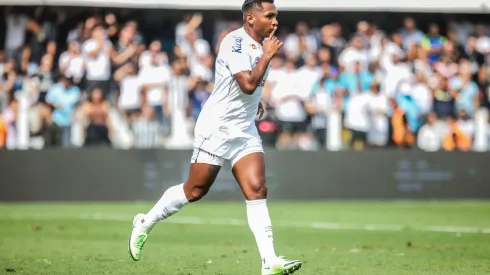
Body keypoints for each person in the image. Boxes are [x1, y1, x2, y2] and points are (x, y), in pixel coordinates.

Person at [128, 1, 303, 274]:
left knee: (257, 189)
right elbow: (246, 84)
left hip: (244, 129)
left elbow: (247, 89)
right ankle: (145, 222)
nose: (275, 22)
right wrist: (267, 57)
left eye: (276, 16)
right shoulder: (234, 42)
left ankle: (269, 261)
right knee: (195, 190)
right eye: (269, 16)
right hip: (217, 127)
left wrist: (255, 101)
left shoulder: (261, 44)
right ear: (250, 18)